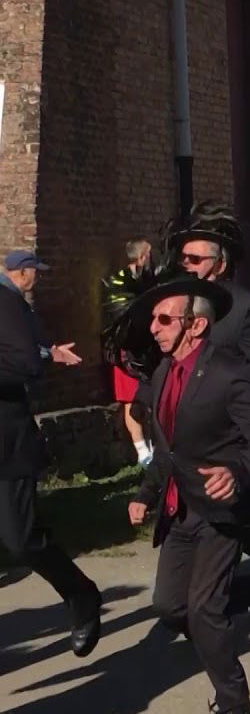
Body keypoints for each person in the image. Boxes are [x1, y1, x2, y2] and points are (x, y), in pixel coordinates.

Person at [123, 276, 250, 714]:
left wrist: (238, 469)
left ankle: (234, 703)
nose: (154, 327)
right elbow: (167, 448)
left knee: (204, 613)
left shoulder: (228, 370)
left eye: (165, 319)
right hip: (179, 509)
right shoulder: (162, 372)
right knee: (172, 607)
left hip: (220, 509)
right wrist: (146, 492)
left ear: (196, 326)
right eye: (154, 319)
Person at [165, 202, 250, 627]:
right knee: (220, 523)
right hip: (188, 439)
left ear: (219, 265)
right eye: (182, 257)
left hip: (233, 441)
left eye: (195, 258)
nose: (185, 265)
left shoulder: (242, 310)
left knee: (231, 519)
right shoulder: (177, 303)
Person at [1, 250, 103, 659]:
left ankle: (81, 595)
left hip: (6, 444)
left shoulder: (8, 304)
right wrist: (47, 352)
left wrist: (44, 354)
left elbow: (24, 363)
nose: (35, 280)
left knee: (22, 540)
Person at [103, 236, 157, 466]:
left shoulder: (150, 280)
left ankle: (155, 444)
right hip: (126, 351)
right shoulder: (119, 282)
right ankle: (142, 451)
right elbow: (121, 316)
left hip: (149, 351)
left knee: (152, 398)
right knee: (130, 399)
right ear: (142, 256)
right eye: (149, 254)